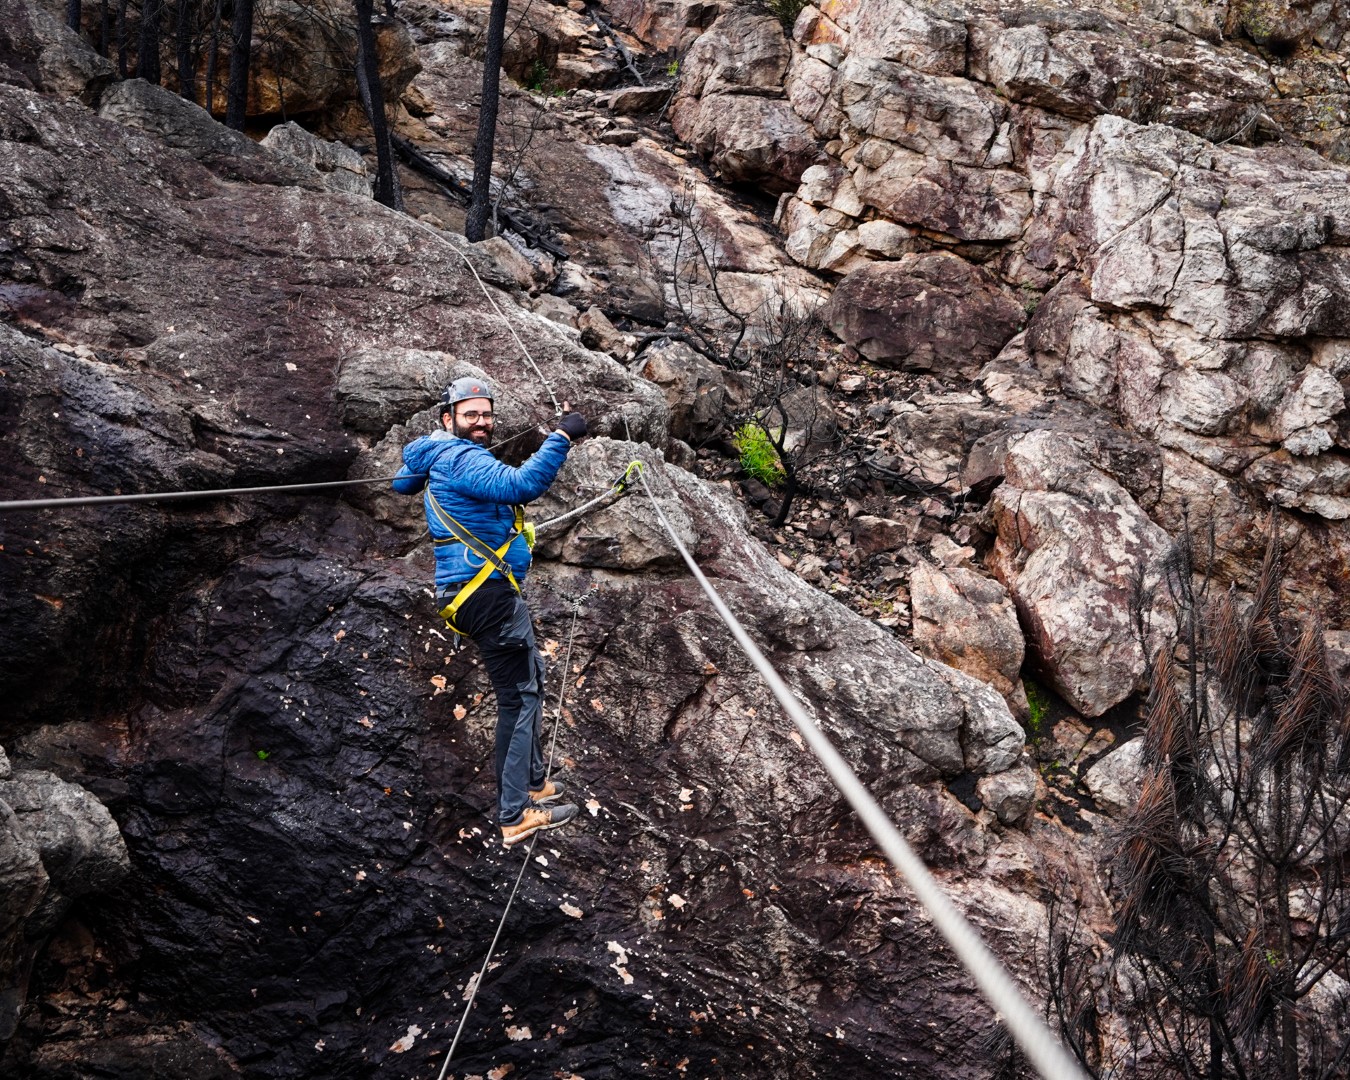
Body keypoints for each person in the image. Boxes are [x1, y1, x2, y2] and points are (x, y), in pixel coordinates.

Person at [392, 377, 587, 847]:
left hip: (471, 594)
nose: (481, 423)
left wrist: (429, 462)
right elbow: (524, 484)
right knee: (518, 699)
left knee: (531, 678)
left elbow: (402, 483)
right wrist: (561, 437)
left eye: (486, 414)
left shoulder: (437, 454)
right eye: (470, 415)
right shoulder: (461, 458)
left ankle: (535, 779)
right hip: (487, 595)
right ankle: (514, 815)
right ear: (448, 418)